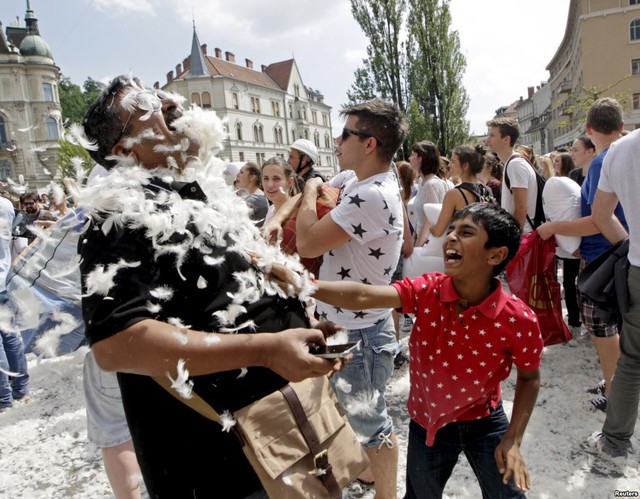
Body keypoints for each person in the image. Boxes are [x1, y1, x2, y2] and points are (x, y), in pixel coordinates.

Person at [80, 74, 339, 498]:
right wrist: (266, 350)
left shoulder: (200, 195)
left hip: (275, 432)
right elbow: (114, 344)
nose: (167, 101)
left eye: (159, 91)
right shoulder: (118, 213)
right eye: (146, 102)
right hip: (215, 464)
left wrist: (296, 314)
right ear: (124, 149)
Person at [275, 203, 542, 497]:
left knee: (508, 493)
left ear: (496, 254)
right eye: (451, 230)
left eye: (466, 233)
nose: (451, 237)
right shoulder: (429, 290)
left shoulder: (518, 320)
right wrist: (304, 283)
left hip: (485, 423)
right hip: (427, 422)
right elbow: (364, 295)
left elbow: (530, 378)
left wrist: (513, 439)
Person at [294, 98, 408, 499]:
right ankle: (373, 477)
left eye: (345, 134)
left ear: (370, 143)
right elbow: (327, 189)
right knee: (355, 415)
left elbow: (307, 236)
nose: (337, 140)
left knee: (374, 427)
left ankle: (387, 495)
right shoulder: (358, 180)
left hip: (359, 336)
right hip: (348, 325)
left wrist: (309, 190)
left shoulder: (371, 195)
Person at [537, 97, 627, 412]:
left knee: (602, 325)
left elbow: (598, 220)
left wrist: (554, 227)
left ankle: (617, 393)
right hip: (618, 253)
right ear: (622, 126)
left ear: (589, 129)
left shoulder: (605, 162)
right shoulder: (623, 155)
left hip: (604, 255)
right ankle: (614, 383)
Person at [589, 128, 640, 459]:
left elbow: (600, 215)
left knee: (633, 359)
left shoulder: (621, 150)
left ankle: (616, 441)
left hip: (639, 266)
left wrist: (627, 246)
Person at [541, 152, 582, 336]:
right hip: (566, 242)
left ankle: (579, 319)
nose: (554, 163)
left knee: (578, 283)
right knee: (568, 281)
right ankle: (574, 320)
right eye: (554, 160)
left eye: (558, 160)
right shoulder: (556, 183)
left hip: (577, 240)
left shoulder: (575, 177)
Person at [0, 194, 29, 411]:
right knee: (10, 334)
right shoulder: (6, 205)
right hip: (4, 276)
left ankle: (3, 397)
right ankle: (20, 387)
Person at [428, 143, 494, 237]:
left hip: (463, 247)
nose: (449, 165)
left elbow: (438, 231)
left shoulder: (454, 194)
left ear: (465, 165)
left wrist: (430, 227)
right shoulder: (487, 190)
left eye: (453, 161)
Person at [486, 118, 538, 233]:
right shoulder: (512, 163)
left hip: (523, 236)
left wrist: (514, 238)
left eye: (492, 135)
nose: (487, 139)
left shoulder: (515, 165)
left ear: (506, 139)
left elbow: (520, 208)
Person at [409, 140, 450, 247]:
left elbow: (429, 221)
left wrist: (417, 246)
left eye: (412, 155)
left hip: (428, 244)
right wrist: (414, 237)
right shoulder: (422, 181)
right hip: (421, 240)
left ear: (420, 158)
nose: (409, 158)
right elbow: (420, 218)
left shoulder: (431, 185)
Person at [261, 157, 298, 226]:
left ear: (290, 182)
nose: (270, 185)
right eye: (266, 178)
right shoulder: (271, 210)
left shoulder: (297, 213)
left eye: (276, 179)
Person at [235, 162, 269, 227]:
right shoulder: (254, 196)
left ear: (252, 177)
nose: (237, 175)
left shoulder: (256, 199)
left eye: (241, 172)